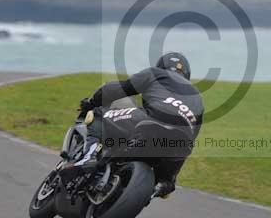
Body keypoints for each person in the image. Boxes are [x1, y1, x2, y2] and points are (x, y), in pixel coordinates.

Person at [66, 52, 204, 197]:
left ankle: (90, 156)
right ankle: (161, 185)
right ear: (187, 74)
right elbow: (192, 137)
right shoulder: (198, 98)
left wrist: (91, 102)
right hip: (180, 144)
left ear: (161, 66)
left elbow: (115, 89)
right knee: (166, 182)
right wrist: (170, 177)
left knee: (98, 114)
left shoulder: (156, 73)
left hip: (150, 122)